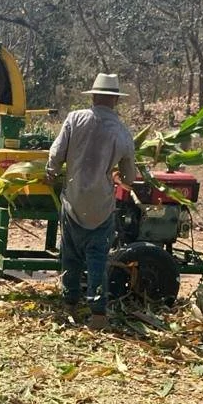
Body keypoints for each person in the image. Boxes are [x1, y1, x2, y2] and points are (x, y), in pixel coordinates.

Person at [46, 73, 137, 330]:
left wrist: (51, 172)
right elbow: (130, 176)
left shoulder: (75, 119)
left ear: (94, 97)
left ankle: (70, 306)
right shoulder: (122, 132)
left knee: (71, 256)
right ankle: (98, 315)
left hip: (73, 202)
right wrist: (118, 175)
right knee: (97, 258)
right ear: (115, 101)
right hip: (101, 207)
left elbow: (56, 154)